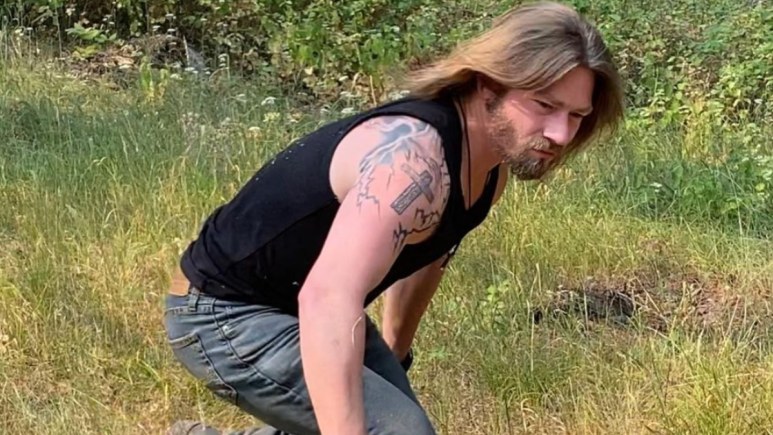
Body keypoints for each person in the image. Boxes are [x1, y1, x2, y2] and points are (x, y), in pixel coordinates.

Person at [163, 1, 625, 434]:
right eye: (544, 105)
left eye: (577, 115)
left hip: (297, 307)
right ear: (489, 84)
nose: (560, 134)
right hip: (223, 313)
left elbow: (427, 252)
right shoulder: (414, 159)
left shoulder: (488, 170)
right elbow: (328, 300)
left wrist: (393, 357)